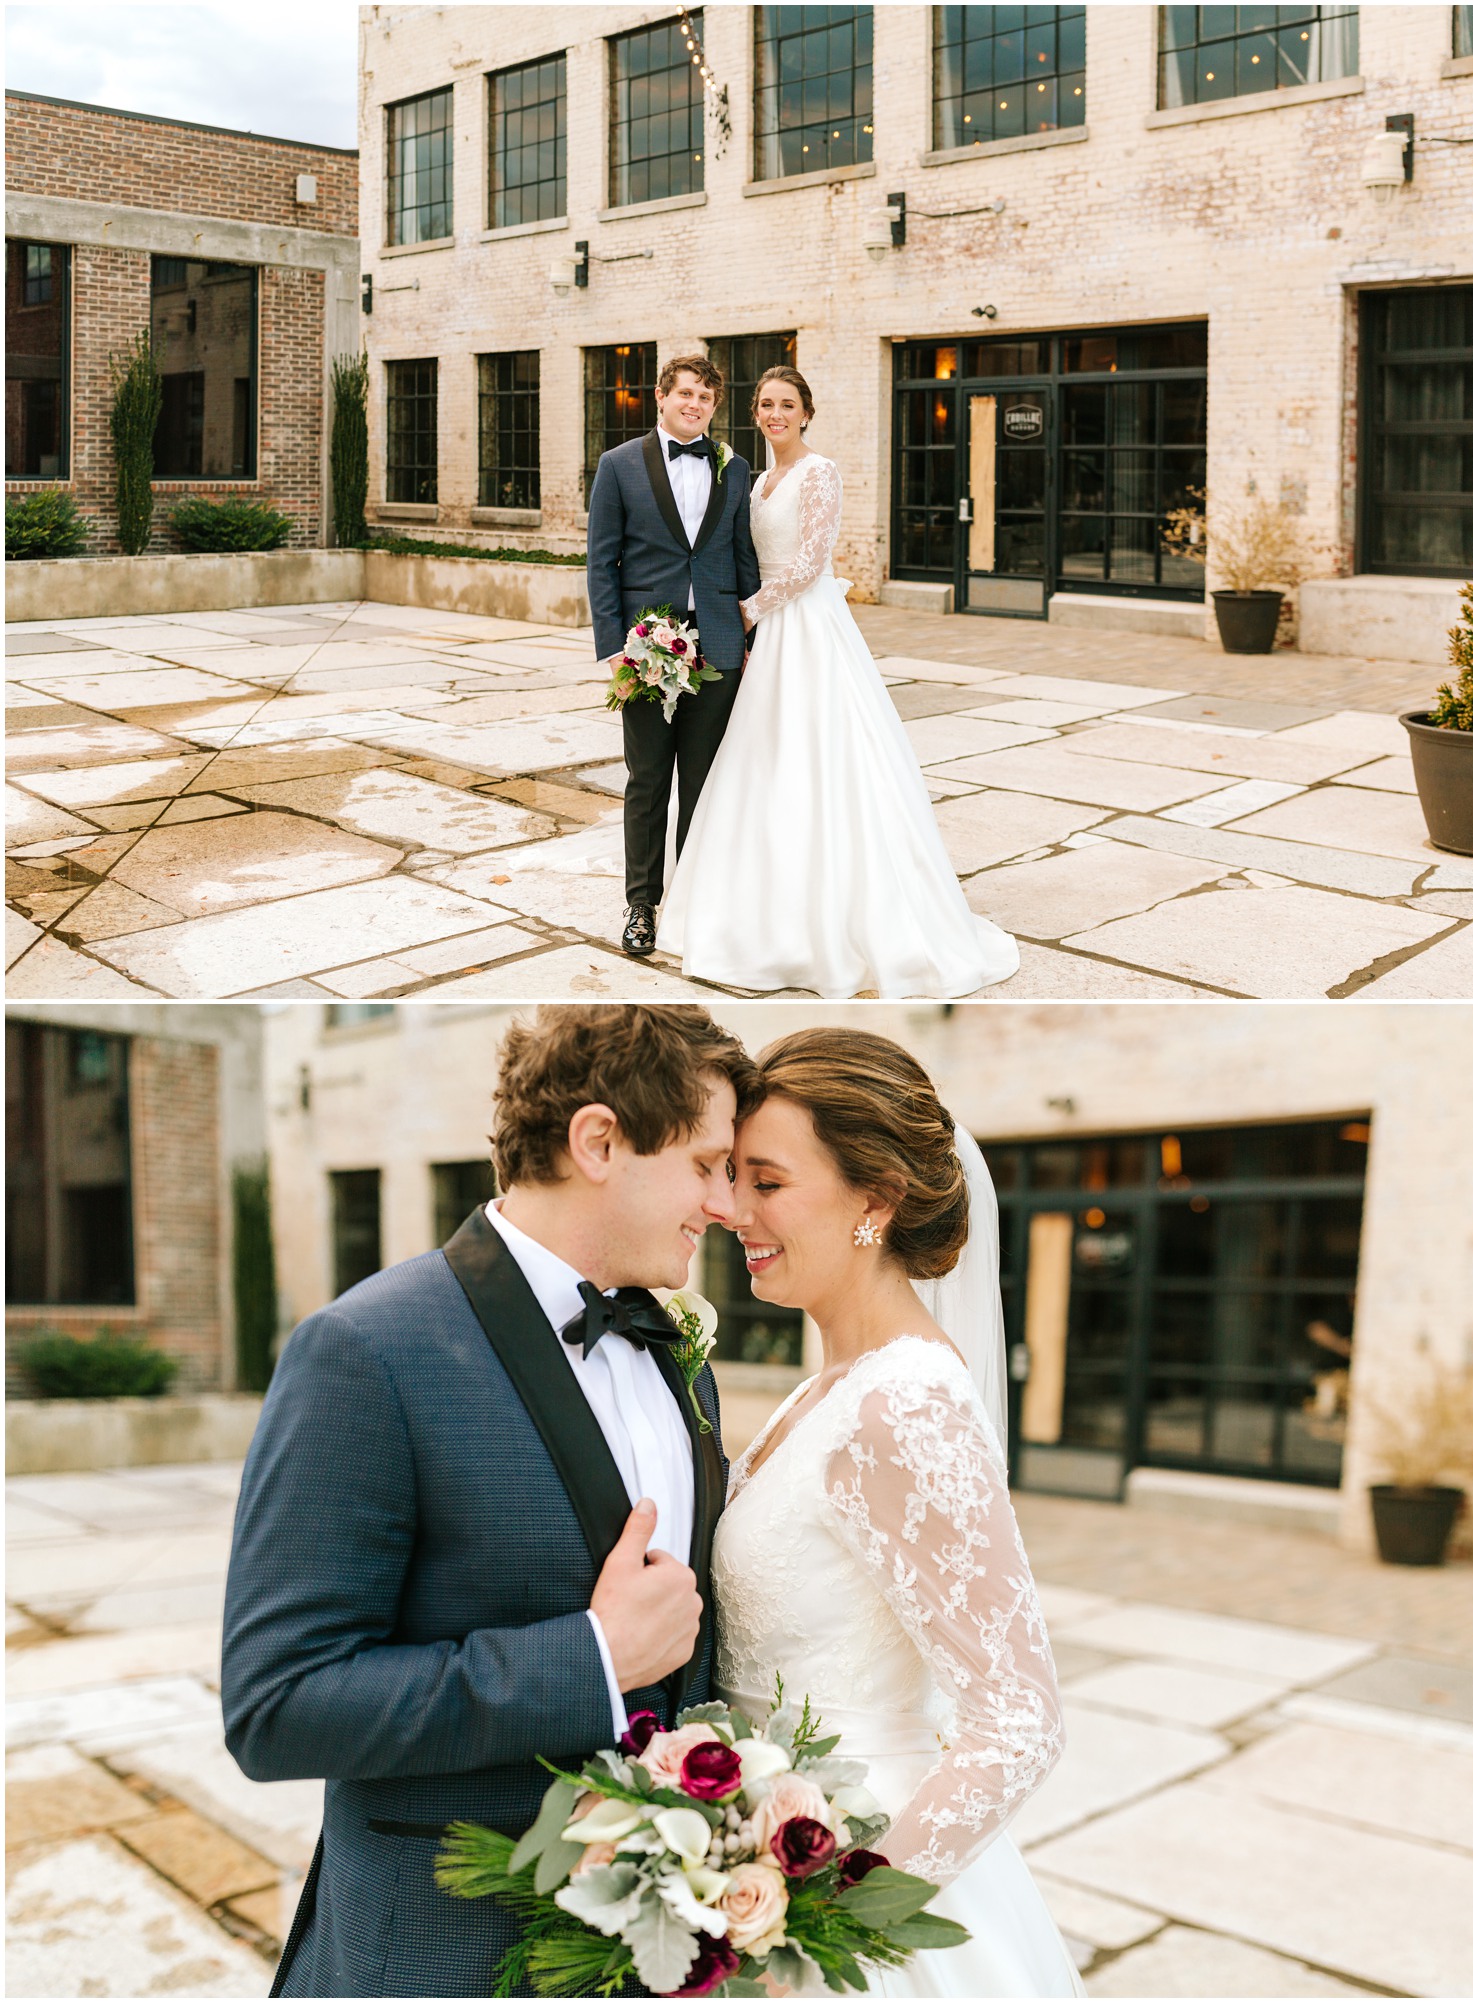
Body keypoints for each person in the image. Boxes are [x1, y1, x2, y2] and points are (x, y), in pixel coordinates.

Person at [220, 1004, 760, 1997]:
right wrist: (586, 1659)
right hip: (444, 1947)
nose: (726, 1202)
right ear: (599, 1140)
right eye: (705, 1162)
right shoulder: (364, 1351)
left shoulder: (680, 1351)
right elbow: (275, 1706)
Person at [714, 1027, 1084, 1997]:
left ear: (872, 1198)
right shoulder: (829, 1388)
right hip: (754, 1852)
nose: (730, 1208)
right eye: (728, 1176)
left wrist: (836, 1919)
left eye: (766, 1180)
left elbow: (1019, 1718)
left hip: (845, 1880)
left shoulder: (903, 1403)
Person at [656, 367, 1020, 998]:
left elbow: (806, 564)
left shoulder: (819, 472)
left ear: (806, 413)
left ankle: (842, 920)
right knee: (762, 765)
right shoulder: (755, 478)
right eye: (766, 404)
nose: (775, 414)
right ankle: (761, 911)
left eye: (787, 405)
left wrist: (744, 611)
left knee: (823, 761)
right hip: (768, 633)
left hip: (807, 629)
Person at [586, 353, 760, 961]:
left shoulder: (733, 467)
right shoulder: (618, 465)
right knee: (649, 780)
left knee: (707, 783)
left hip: (717, 643)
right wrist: (614, 649)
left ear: (715, 406)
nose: (695, 405)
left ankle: (695, 903)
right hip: (643, 645)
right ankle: (642, 907)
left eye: (706, 398)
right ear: (660, 397)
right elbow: (601, 563)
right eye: (685, 394)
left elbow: (743, 558)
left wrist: (751, 643)